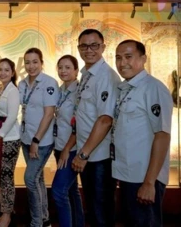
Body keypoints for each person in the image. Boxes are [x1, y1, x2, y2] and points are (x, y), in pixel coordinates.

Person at [113, 40, 172, 227]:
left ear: (143, 59)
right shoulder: (124, 89)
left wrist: (149, 183)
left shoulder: (153, 88)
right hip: (128, 176)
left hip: (143, 177)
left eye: (128, 57)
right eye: (118, 58)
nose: (122, 63)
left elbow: (162, 135)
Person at [71, 29, 120, 227]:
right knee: (92, 207)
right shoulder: (86, 74)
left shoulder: (106, 76)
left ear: (103, 47)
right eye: (84, 46)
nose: (89, 50)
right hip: (87, 154)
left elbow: (105, 120)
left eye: (94, 45)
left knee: (101, 210)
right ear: (78, 48)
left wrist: (83, 154)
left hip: (98, 156)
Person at [18, 48, 58, 227]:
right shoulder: (22, 83)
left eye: (35, 62)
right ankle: (44, 218)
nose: (31, 66)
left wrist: (36, 140)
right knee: (38, 178)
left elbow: (49, 114)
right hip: (26, 138)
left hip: (41, 141)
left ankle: (36, 223)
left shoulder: (49, 83)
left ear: (42, 63)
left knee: (29, 179)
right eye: (27, 62)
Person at [51, 55, 84, 227]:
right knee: (71, 191)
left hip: (71, 149)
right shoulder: (59, 90)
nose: (63, 71)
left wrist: (66, 149)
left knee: (58, 191)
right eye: (60, 67)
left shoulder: (79, 92)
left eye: (68, 67)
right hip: (60, 145)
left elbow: (80, 124)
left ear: (76, 71)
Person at [0, 58, 21, 227]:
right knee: (2, 176)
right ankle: (5, 212)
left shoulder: (13, 91)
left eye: (6, 70)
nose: (2, 73)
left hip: (10, 139)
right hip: (1, 137)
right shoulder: (1, 89)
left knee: (7, 178)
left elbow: (11, 117)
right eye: (0, 69)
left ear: (13, 72)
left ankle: (7, 215)